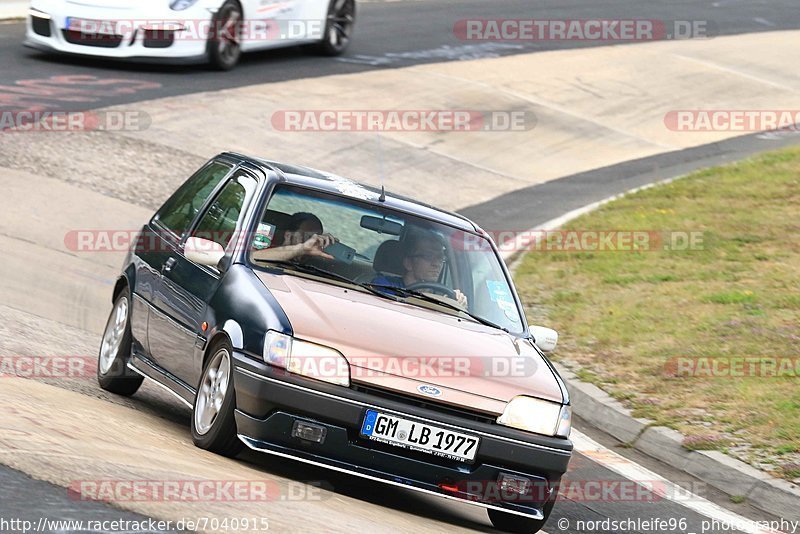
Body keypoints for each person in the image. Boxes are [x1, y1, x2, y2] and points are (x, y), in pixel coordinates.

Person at [373, 230, 468, 308]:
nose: (436, 264)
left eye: (440, 258)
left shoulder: (443, 294)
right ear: (409, 263)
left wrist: (457, 303)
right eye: (428, 256)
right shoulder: (384, 285)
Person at [252, 212, 337, 262]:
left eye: (317, 237)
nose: (312, 242)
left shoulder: (316, 253)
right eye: (307, 236)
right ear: (288, 235)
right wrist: (301, 249)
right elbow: (253, 257)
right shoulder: (264, 242)